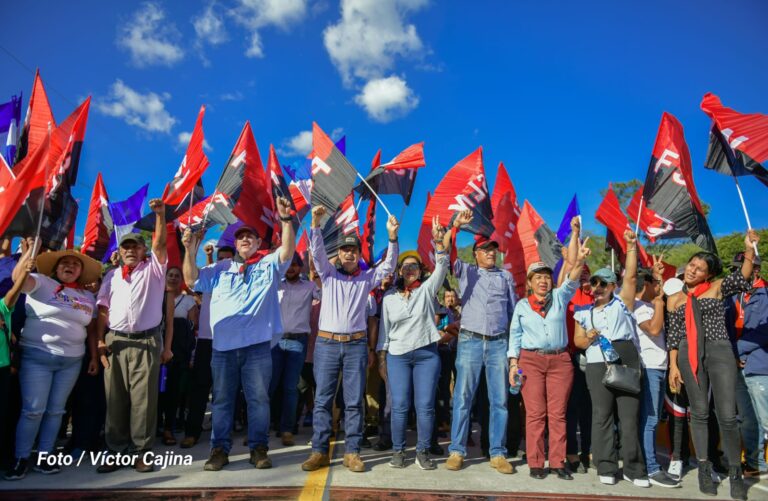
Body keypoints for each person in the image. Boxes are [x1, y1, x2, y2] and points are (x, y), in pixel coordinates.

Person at [182, 197, 296, 471]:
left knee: (258, 400)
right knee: (221, 400)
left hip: (257, 348)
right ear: (235, 244)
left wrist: (285, 219)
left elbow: (288, 251)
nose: (245, 240)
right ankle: (219, 450)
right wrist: (188, 248)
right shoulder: (219, 269)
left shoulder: (269, 266)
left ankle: (258, 449)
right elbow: (190, 279)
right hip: (222, 349)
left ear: (258, 243)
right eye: (241, 237)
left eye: (251, 237)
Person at [301, 205, 399, 473]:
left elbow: (389, 265)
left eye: (353, 250)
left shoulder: (367, 279)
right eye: (345, 250)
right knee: (322, 399)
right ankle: (319, 451)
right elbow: (317, 253)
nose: (349, 253)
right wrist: (316, 224)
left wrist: (392, 238)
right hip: (327, 344)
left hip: (356, 344)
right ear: (339, 254)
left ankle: (352, 452)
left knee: (354, 400)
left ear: (358, 255)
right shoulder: (328, 274)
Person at [667, 230, 760, 501]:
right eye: (691, 265)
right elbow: (674, 337)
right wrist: (673, 367)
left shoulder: (717, 287)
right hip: (687, 354)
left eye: (699, 268)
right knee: (698, 413)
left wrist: (749, 251)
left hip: (719, 351)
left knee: (728, 415)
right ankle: (704, 469)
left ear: (708, 274)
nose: (693, 270)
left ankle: (734, 474)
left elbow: (743, 276)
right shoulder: (676, 300)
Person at [5, 241, 102, 480]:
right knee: (33, 410)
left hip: (72, 361)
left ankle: (45, 456)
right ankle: (21, 458)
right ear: (56, 269)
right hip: (37, 357)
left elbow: (90, 329)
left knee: (56, 411)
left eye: (75, 264)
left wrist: (93, 357)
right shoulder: (42, 283)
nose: (70, 266)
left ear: (81, 271)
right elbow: (18, 280)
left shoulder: (87, 296)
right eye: (65, 263)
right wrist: (28, 256)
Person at [507, 217, 590, 481]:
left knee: (557, 414)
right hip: (530, 361)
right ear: (529, 283)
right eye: (537, 278)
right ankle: (535, 462)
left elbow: (574, 273)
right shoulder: (521, 306)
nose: (542, 281)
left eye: (546, 277)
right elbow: (515, 337)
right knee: (535, 414)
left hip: (560, 362)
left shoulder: (560, 297)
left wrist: (575, 234)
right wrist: (512, 364)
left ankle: (557, 461)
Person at [96, 199, 170, 473]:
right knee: (115, 398)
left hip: (145, 341)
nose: (129, 250)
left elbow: (160, 245)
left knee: (144, 400)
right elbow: (102, 311)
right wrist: (101, 341)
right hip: (116, 341)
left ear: (143, 250)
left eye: (134, 246)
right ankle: (115, 450)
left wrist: (160, 216)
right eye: (125, 246)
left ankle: (141, 451)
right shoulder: (112, 276)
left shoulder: (154, 270)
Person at [573, 230, 647, 488]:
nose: (598, 288)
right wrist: (590, 337)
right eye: (594, 283)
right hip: (596, 362)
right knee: (601, 415)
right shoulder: (583, 313)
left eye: (603, 283)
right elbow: (578, 342)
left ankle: (634, 468)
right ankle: (605, 465)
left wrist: (630, 245)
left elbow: (633, 276)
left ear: (613, 286)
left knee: (628, 417)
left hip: (625, 358)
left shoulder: (622, 303)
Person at [379, 216, 452, 469]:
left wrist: (438, 242)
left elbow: (442, 266)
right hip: (397, 356)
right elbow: (384, 334)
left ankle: (422, 451)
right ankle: (399, 451)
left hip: (426, 356)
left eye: (415, 267)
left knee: (425, 406)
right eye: (406, 267)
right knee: (399, 406)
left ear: (421, 271)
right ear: (399, 271)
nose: (410, 270)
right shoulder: (389, 298)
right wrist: (381, 359)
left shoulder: (427, 291)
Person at [446, 211, 516, 475]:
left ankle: (498, 453)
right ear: (475, 253)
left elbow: (512, 313)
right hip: (470, 341)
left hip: (498, 344)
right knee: (463, 398)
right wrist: (455, 227)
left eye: (493, 249)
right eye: (485, 249)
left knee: (499, 400)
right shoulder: (466, 271)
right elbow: (449, 255)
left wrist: (512, 350)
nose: (491, 253)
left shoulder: (506, 277)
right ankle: (457, 450)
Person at [180, 244, 234, 448]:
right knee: (199, 389)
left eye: (229, 259)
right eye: (221, 258)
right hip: (206, 341)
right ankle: (192, 432)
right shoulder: (209, 280)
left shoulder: (239, 281)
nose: (224, 262)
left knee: (224, 392)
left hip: (229, 342)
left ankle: (222, 435)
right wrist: (191, 249)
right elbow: (191, 278)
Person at [633, 258, 680, 487]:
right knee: (650, 419)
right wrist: (660, 303)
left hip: (661, 367)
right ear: (646, 285)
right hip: (648, 367)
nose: (659, 287)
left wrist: (656, 274)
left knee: (653, 418)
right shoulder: (638, 306)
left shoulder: (652, 304)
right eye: (656, 283)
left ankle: (650, 464)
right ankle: (651, 468)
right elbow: (653, 329)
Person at [269, 253, 319, 446]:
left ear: (301, 268)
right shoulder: (274, 285)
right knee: (269, 386)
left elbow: (325, 295)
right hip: (274, 341)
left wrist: (316, 271)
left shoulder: (310, 286)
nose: (291, 269)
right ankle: (261, 428)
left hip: (298, 342)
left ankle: (287, 429)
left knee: (291, 388)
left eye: (295, 265)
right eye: (287, 265)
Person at [729, 253, 767, 477]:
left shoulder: (766, 294)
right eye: (736, 268)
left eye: (743, 267)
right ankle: (755, 463)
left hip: (759, 365)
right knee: (747, 418)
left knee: (766, 418)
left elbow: (764, 331)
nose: (738, 272)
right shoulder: (733, 296)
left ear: (756, 270)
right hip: (736, 365)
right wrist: (731, 354)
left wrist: (737, 350)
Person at [159, 267, 199, 446]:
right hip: (156, 347)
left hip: (178, 352)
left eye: (177, 276)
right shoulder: (156, 297)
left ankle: (169, 427)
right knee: (154, 392)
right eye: (170, 275)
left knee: (173, 391)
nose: (173, 278)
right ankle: (152, 426)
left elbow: (193, 328)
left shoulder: (188, 300)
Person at [565, 263, 593, 473]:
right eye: (579, 272)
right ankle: (571, 451)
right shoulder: (567, 295)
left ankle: (589, 450)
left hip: (594, 358)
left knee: (591, 408)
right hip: (571, 357)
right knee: (571, 408)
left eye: (587, 273)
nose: (584, 276)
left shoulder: (598, 296)